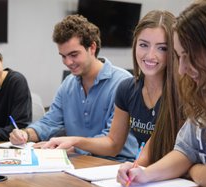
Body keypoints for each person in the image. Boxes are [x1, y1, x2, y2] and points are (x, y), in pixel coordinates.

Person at [117, 0, 206, 187]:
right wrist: (144, 174)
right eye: (178, 56)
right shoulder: (204, 94)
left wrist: (191, 169)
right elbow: (185, 151)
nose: (181, 69)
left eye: (188, 56)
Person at [42, 10, 183, 166]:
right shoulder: (127, 89)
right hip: (145, 174)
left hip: (175, 178)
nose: (150, 55)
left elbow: (184, 154)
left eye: (162, 48)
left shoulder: (183, 93)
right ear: (135, 44)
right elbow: (113, 144)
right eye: (143, 45)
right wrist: (75, 141)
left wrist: (141, 169)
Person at [9, 15, 136, 161]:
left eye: (74, 54)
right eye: (63, 56)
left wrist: (74, 145)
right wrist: (26, 134)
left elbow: (111, 140)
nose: (68, 62)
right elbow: (50, 122)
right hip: (77, 161)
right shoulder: (68, 84)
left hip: (115, 165)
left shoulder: (122, 83)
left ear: (92, 48)